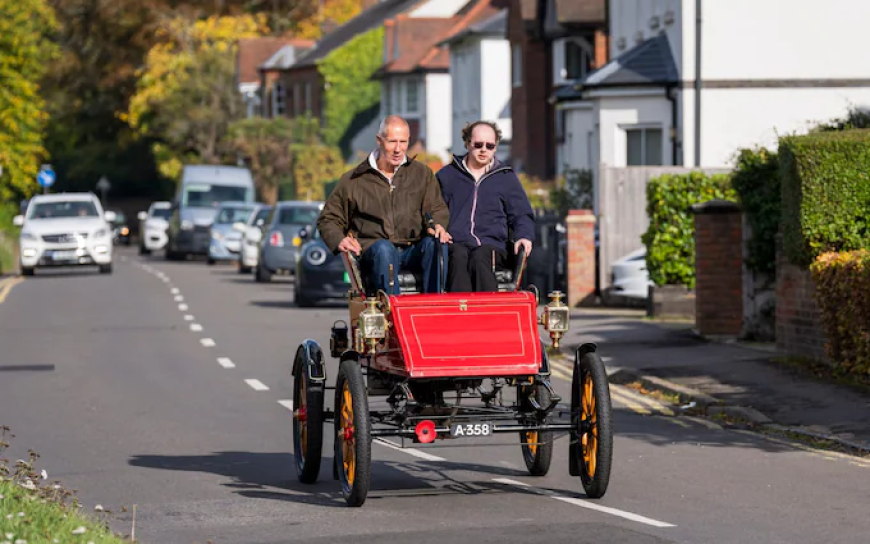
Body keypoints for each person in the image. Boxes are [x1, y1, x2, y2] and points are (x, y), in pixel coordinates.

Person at [317, 115, 451, 295]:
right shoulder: (354, 180)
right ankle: (392, 313)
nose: (398, 149)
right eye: (392, 142)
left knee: (435, 245)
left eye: (403, 142)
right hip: (375, 251)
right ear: (379, 141)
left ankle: (431, 310)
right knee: (384, 249)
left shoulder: (422, 174)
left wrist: (439, 225)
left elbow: (436, 209)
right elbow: (328, 219)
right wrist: (340, 239)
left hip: (413, 249)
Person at [436, 120, 535, 292]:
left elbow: (522, 214)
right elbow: (433, 207)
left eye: (489, 145)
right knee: (458, 257)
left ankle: (489, 312)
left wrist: (524, 236)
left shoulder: (506, 177)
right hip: (456, 242)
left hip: (493, 245)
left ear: (495, 147)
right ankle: (460, 313)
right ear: (467, 144)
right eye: (478, 144)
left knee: (480, 256)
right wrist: (437, 227)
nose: (484, 149)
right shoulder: (447, 175)